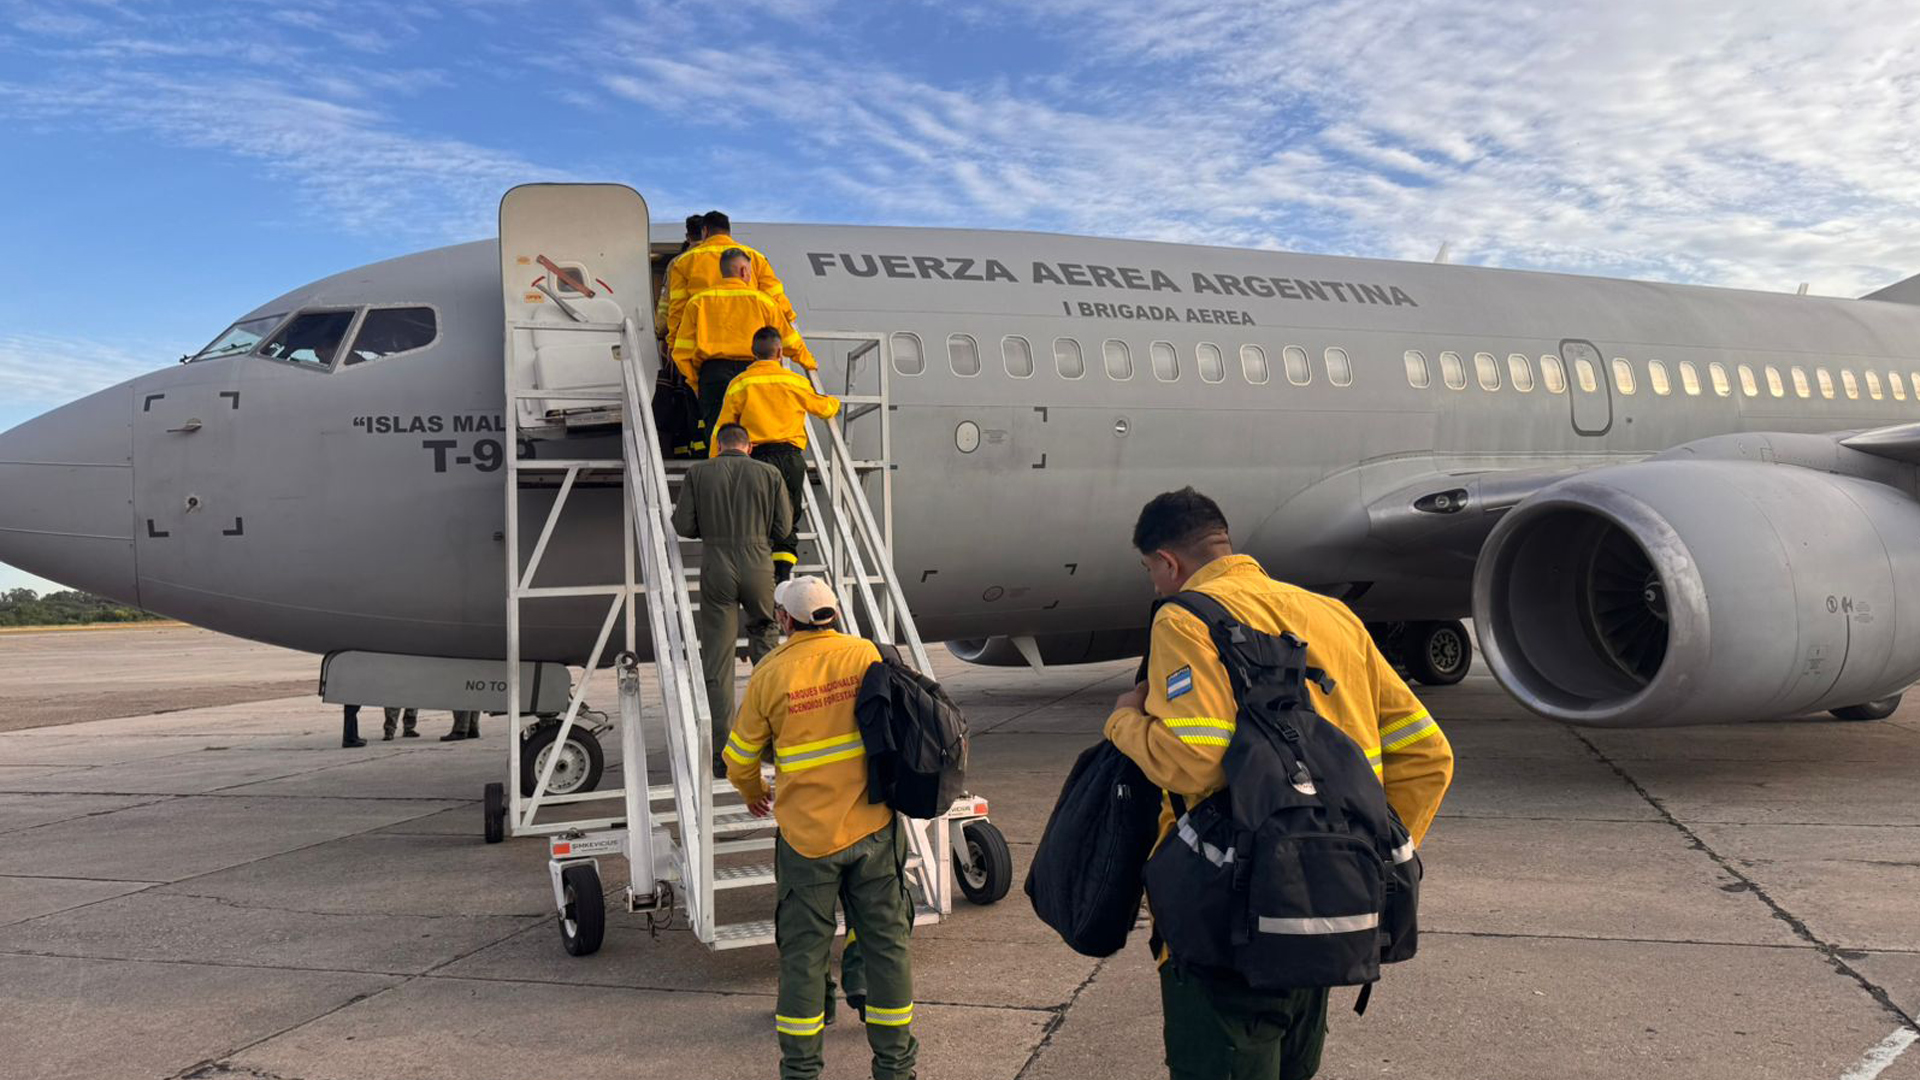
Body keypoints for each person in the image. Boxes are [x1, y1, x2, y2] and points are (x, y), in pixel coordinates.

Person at [1105, 487, 1454, 1080]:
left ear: (1168, 562)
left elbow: (1194, 757)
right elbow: (1427, 754)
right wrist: (1363, 854)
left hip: (1222, 914)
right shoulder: (1333, 616)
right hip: (1325, 912)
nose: (1155, 587)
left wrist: (1123, 722)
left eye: (1150, 573)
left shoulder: (1185, 618)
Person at [723, 576, 917, 1080]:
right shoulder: (866, 655)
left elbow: (739, 759)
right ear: (833, 612)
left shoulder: (771, 672)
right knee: (886, 948)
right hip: (872, 827)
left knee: (803, 958)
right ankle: (896, 1068)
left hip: (807, 839)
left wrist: (753, 794)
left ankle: (802, 1071)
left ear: (785, 620)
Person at [672, 422, 791, 777]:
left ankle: (723, 754)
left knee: (718, 661)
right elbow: (783, 528)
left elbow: (683, 526)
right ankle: (771, 742)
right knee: (768, 654)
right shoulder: (768, 473)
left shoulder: (698, 472)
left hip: (717, 565)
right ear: (749, 446)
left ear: (717, 445)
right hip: (758, 563)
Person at [715, 326, 842, 581]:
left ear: (753, 353)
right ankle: (782, 578)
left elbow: (723, 428)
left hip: (756, 458)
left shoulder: (740, 384)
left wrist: (717, 463)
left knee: (757, 518)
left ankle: (757, 576)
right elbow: (824, 408)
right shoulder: (794, 381)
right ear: (780, 352)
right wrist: (834, 401)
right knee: (787, 521)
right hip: (790, 458)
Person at [673, 248, 816, 443]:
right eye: (749, 270)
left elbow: (681, 351)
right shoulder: (764, 301)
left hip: (713, 373)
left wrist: (695, 381)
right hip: (752, 372)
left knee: (718, 433)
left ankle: (721, 470)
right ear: (743, 271)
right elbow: (788, 340)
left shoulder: (698, 302)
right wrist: (809, 363)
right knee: (754, 432)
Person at [664, 210, 799, 349]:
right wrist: (790, 325)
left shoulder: (684, 262)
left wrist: (673, 343)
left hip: (706, 346)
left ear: (705, 231)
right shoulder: (755, 257)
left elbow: (677, 308)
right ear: (728, 231)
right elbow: (777, 299)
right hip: (750, 344)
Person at [655, 213, 706, 348]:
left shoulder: (678, 263)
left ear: (687, 237)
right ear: (707, 233)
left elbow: (668, 302)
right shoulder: (725, 260)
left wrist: (660, 330)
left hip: (685, 338)